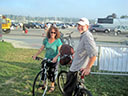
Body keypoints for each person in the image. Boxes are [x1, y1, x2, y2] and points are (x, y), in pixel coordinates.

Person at [64, 17, 98, 96]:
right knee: (78, 90)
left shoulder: (87, 36)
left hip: (76, 68)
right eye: (78, 25)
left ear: (87, 26)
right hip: (77, 65)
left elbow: (93, 54)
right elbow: (83, 50)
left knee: (68, 90)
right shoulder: (83, 35)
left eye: (82, 25)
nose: (79, 27)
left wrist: (88, 67)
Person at [33, 26, 62, 92]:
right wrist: (35, 55)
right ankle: (44, 84)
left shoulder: (58, 41)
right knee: (43, 70)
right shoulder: (46, 40)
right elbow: (41, 49)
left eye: (54, 33)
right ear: (49, 32)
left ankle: (52, 85)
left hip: (55, 58)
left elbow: (60, 51)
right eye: (51, 32)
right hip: (47, 57)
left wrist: (56, 57)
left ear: (56, 33)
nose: (53, 34)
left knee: (52, 72)